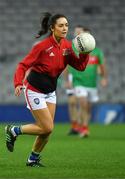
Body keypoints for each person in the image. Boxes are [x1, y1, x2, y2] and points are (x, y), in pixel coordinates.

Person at [5, 13, 90, 167]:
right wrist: (18, 83)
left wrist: (85, 53)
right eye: (61, 25)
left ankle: (32, 159)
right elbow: (22, 65)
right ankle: (13, 130)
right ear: (52, 28)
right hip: (34, 90)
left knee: (46, 131)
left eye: (66, 25)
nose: (65, 28)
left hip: (50, 91)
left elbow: (80, 67)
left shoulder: (68, 46)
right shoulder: (42, 47)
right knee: (47, 126)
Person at [65, 25, 108, 137]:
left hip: (92, 84)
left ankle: (84, 127)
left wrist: (103, 78)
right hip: (78, 82)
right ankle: (77, 125)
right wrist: (67, 79)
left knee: (88, 107)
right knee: (80, 103)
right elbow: (67, 65)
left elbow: (102, 66)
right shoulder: (73, 49)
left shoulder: (97, 52)